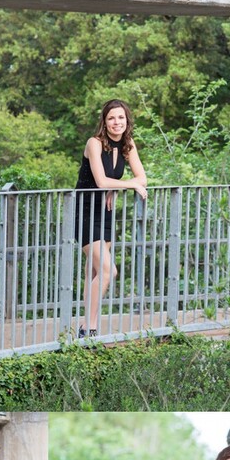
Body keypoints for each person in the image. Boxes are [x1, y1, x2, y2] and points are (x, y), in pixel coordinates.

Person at [74, 99, 147, 337]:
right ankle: (89, 328)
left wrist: (117, 188)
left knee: (95, 272)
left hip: (105, 212)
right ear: (104, 122)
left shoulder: (128, 145)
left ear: (127, 120)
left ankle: (87, 325)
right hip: (85, 210)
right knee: (108, 271)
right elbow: (101, 181)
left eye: (121, 118)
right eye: (111, 118)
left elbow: (142, 178)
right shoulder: (94, 144)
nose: (117, 123)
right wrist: (124, 185)